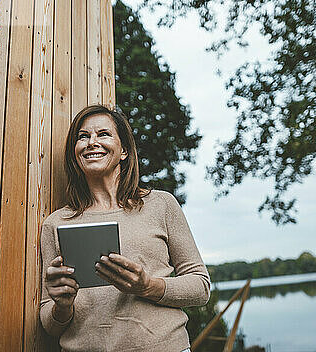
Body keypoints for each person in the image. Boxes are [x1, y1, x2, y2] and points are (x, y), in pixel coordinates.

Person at [39, 104, 210, 352]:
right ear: (75, 153)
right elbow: (49, 323)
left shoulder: (160, 204)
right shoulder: (56, 224)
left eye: (103, 134)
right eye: (83, 137)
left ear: (124, 151)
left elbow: (200, 287)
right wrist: (62, 306)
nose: (91, 142)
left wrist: (147, 285)